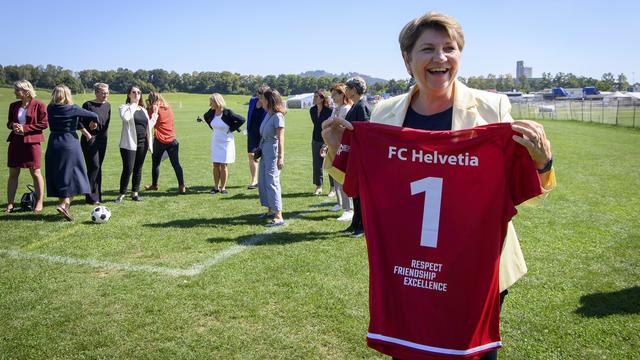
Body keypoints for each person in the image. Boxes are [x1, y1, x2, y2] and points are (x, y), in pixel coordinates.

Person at [322, 11, 555, 360]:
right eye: (428, 48)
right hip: (411, 267)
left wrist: (543, 163)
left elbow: (523, 189)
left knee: (471, 353)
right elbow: (364, 184)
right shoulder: (385, 112)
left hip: (476, 267)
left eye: (450, 48)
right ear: (407, 59)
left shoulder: (492, 107)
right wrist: (337, 147)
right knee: (411, 349)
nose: (440, 57)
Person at [45, 85, 96, 221]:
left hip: (54, 142)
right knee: (75, 175)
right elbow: (93, 115)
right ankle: (64, 204)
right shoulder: (73, 108)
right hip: (69, 143)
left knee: (60, 174)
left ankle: (65, 206)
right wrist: (92, 123)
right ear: (68, 95)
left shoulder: (49, 108)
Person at [5, 80, 48, 213]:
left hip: (32, 143)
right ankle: (10, 204)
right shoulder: (13, 105)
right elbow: (9, 122)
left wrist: (25, 128)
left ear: (26, 91)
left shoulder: (39, 104)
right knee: (13, 173)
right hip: (16, 142)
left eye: (17, 90)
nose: (15, 92)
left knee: (35, 172)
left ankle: (39, 202)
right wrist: (13, 125)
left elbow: (44, 124)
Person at [338, 76, 371, 237]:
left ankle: (362, 227)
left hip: (361, 153)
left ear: (354, 89)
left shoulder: (362, 106)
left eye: (348, 89)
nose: (346, 92)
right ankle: (355, 223)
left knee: (359, 192)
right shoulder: (356, 105)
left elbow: (364, 129)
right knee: (355, 191)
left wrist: (340, 121)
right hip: (355, 152)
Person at [144, 92, 186, 194]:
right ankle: (182, 186)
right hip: (172, 139)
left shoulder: (154, 108)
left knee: (156, 163)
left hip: (160, 139)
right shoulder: (168, 108)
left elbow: (148, 121)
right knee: (176, 164)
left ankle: (154, 185)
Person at [203, 93, 245, 194]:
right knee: (215, 165)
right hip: (215, 141)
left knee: (223, 165)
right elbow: (206, 118)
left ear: (217, 101)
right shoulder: (211, 112)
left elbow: (242, 119)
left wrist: (231, 129)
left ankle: (223, 187)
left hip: (226, 142)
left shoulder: (227, 112)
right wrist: (213, 128)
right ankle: (216, 187)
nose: (210, 104)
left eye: (212, 102)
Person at [116, 86, 153, 203]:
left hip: (143, 143)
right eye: (134, 92)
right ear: (129, 94)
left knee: (138, 168)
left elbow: (148, 126)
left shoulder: (143, 110)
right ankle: (122, 194)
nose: (137, 94)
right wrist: (133, 104)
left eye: (139, 92)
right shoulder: (124, 107)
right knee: (128, 169)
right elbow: (126, 118)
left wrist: (155, 115)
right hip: (129, 144)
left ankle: (135, 193)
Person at [257, 89, 286, 226]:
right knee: (263, 181)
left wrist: (281, 157)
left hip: (273, 153)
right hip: (264, 150)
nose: (260, 101)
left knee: (272, 181)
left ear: (270, 100)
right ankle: (270, 210)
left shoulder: (278, 116)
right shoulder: (267, 114)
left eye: (263, 99)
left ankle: (278, 215)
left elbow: (281, 138)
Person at [326, 83, 354, 221]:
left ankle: (349, 209)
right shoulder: (336, 108)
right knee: (335, 174)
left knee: (342, 177)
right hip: (334, 145)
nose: (332, 97)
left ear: (342, 94)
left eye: (334, 94)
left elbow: (344, 128)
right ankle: (340, 203)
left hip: (343, 147)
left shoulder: (347, 108)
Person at [81, 82, 111, 205]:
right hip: (89, 139)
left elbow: (106, 123)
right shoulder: (87, 105)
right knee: (94, 166)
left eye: (107, 93)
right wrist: (88, 132)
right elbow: (80, 122)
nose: (106, 95)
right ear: (96, 92)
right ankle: (90, 197)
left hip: (102, 140)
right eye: (103, 93)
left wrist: (103, 137)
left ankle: (97, 195)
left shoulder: (108, 105)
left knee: (98, 167)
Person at [310, 89, 333, 195]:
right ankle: (318, 186)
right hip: (315, 139)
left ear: (322, 98)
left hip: (327, 140)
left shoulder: (329, 111)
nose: (314, 99)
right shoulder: (312, 110)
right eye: (314, 96)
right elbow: (317, 124)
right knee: (317, 164)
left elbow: (330, 127)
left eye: (316, 97)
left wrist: (326, 143)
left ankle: (333, 188)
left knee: (329, 163)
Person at [246, 85, 269, 189]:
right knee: (251, 155)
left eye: (260, 95)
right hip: (252, 132)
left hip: (264, 133)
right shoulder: (252, 101)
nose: (258, 96)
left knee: (264, 156)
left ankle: (265, 179)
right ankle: (254, 180)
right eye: (257, 93)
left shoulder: (269, 104)